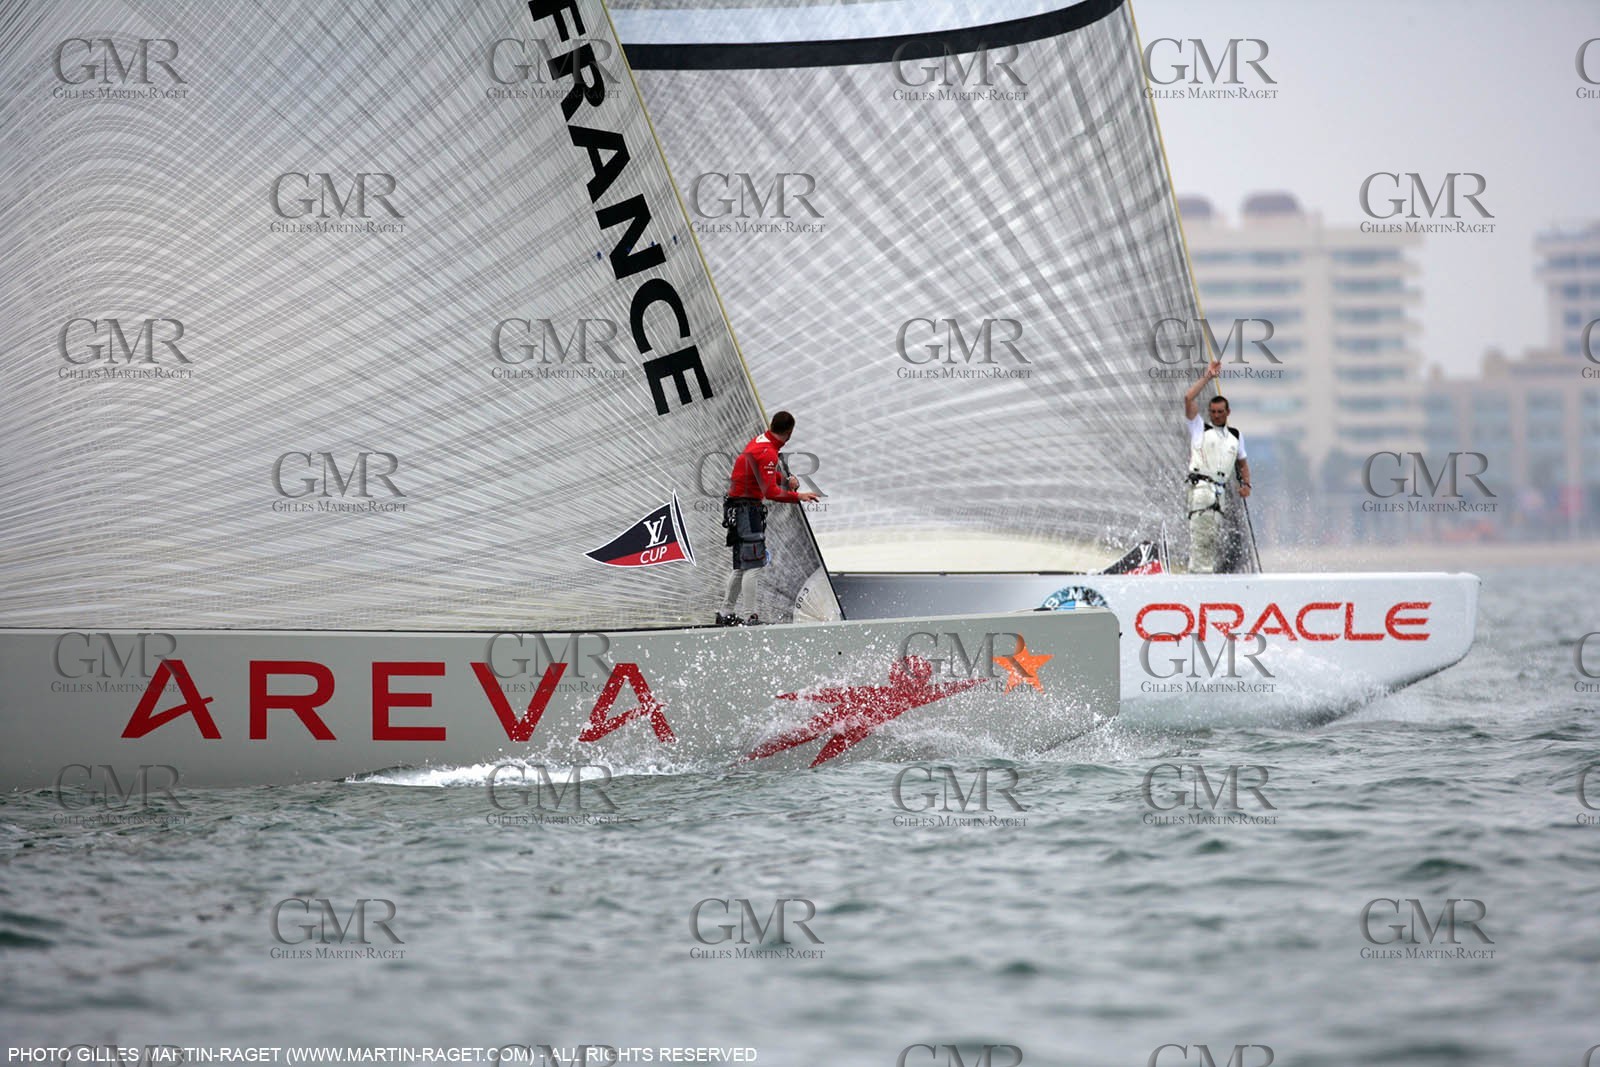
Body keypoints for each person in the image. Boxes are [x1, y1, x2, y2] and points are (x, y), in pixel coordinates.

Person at [717, 411, 820, 626]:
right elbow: (770, 492)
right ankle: (750, 616)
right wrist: (798, 496)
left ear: (772, 424)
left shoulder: (759, 441)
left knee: (740, 567)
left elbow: (764, 471)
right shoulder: (769, 453)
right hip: (747, 512)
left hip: (736, 510)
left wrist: (784, 480)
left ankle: (725, 613)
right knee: (753, 566)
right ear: (790, 433)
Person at [1182, 360, 1252, 574]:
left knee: (1211, 539)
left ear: (1227, 412)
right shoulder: (1199, 428)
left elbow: (1242, 463)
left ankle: (1205, 574)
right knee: (1202, 537)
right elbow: (1188, 398)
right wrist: (1208, 376)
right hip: (1202, 488)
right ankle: (1199, 576)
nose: (1216, 415)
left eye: (1220, 411)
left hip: (1219, 493)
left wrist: (1246, 484)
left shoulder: (1235, 436)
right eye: (1213, 411)